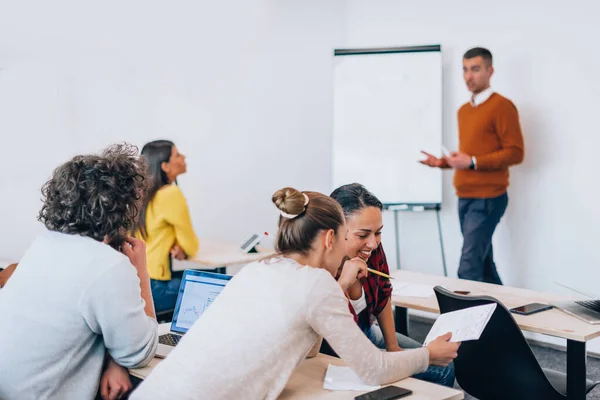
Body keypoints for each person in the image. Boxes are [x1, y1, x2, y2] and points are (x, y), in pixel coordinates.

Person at [131, 187, 459, 400]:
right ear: (330, 239)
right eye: (349, 236)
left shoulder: (259, 268)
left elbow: (310, 350)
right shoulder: (315, 285)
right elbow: (373, 369)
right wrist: (429, 355)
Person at [0, 144, 158, 400]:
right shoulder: (108, 266)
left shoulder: (44, 245)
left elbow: (80, 324)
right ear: (122, 206)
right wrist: (140, 271)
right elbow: (139, 352)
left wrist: (113, 363)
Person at [330, 183, 455, 387]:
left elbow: (383, 293)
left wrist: (392, 346)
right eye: (362, 235)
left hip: (367, 330)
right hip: (339, 348)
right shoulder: (321, 264)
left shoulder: (371, 250)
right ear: (334, 231)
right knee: (438, 370)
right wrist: (343, 283)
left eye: (378, 232)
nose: (373, 243)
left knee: (444, 365)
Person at [420, 47, 524, 284]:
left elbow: (516, 153)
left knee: (468, 269)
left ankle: (469, 321)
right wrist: (443, 163)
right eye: (465, 70)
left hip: (488, 199)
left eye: (475, 69)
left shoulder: (502, 106)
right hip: (465, 197)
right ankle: (504, 319)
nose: (468, 76)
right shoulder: (464, 111)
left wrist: (474, 161)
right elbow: (469, 158)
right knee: (484, 266)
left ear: (490, 71)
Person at [133, 140, 199, 314]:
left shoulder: (137, 193)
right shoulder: (170, 194)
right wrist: (182, 248)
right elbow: (191, 246)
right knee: (217, 289)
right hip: (156, 287)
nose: (183, 157)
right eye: (177, 155)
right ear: (165, 166)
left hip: (134, 284)